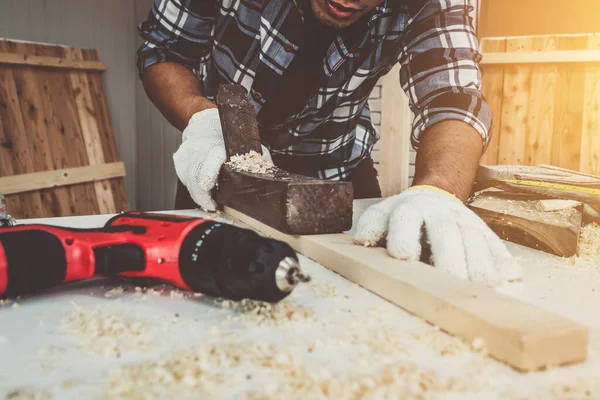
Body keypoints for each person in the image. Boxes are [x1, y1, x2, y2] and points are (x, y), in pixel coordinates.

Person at [136, 0, 522, 287]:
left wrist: (440, 191)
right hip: (220, 161)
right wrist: (201, 118)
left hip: (337, 165)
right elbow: (165, 50)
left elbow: (451, 96)